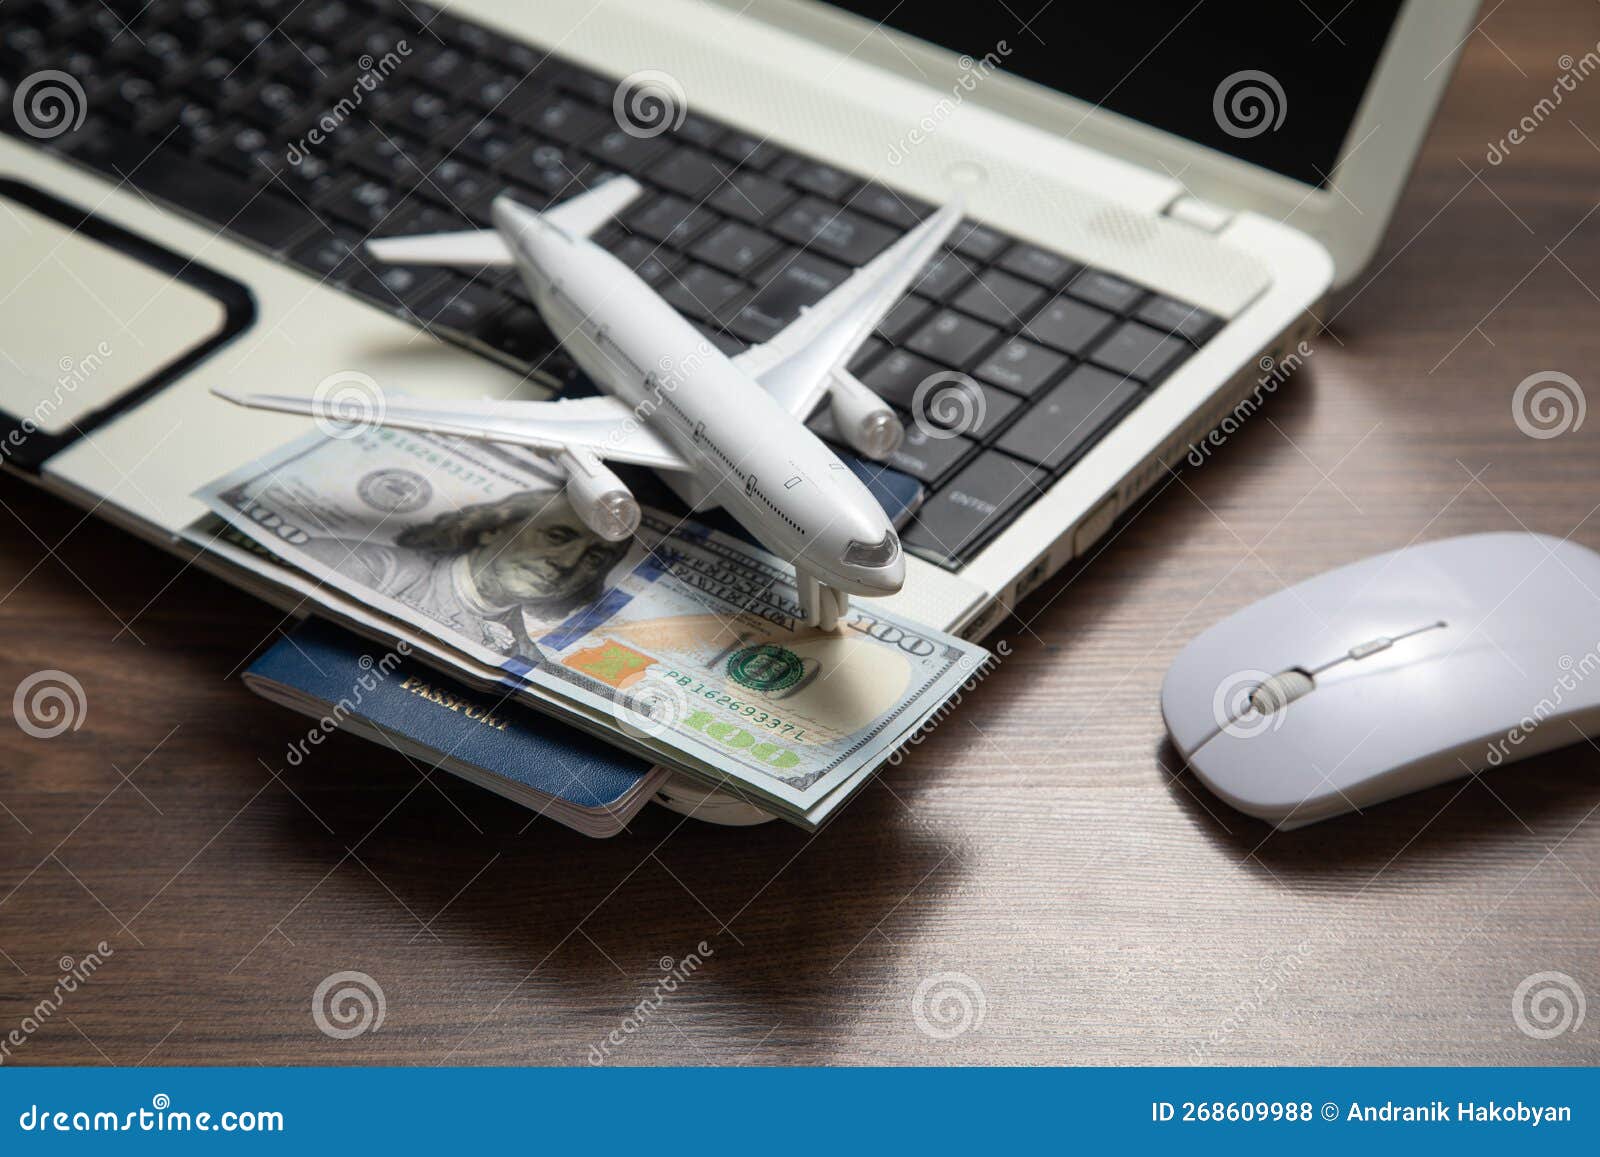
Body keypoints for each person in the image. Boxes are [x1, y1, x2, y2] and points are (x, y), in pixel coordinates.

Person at [301, 487, 633, 659]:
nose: (567, 562)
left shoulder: (527, 658)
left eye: (595, 557)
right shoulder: (363, 567)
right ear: (493, 529)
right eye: (557, 537)